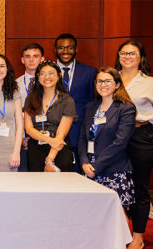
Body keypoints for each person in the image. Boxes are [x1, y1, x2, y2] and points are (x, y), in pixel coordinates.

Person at [116, 40, 153, 249]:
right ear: (118, 55)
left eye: (133, 53)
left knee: (139, 189)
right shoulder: (110, 78)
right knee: (115, 186)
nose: (128, 56)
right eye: (124, 52)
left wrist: (145, 136)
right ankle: (120, 237)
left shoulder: (151, 82)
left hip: (140, 137)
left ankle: (137, 239)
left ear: (140, 57)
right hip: (114, 140)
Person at [77, 67, 136, 220]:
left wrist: (97, 166)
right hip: (89, 168)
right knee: (93, 215)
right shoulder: (91, 107)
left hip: (113, 169)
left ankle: (122, 244)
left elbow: (120, 143)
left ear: (117, 84)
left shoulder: (126, 108)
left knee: (116, 218)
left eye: (107, 81)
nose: (103, 84)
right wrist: (84, 162)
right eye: (99, 81)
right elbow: (82, 138)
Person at [23, 61, 77, 172]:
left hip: (58, 150)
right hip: (36, 149)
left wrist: (50, 160)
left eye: (51, 73)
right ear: (37, 78)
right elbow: (28, 128)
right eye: (42, 74)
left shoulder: (67, 101)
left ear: (59, 76)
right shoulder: (30, 99)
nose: (47, 77)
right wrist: (48, 140)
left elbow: (61, 135)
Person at [54, 33, 96, 171]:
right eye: (61, 47)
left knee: (78, 175)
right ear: (55, 50)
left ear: (76, 49)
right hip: (52, 132)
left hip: (79, 133)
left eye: (69, 47)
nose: (65, 51)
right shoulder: (46, 72)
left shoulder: (90, 72)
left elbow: (92, 103)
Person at [16, 43, 45, 172]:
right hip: (20, 140)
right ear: (22, 60)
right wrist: (20, 138)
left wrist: (39, 137)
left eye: (35, 56)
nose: (31, 60)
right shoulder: (14, 85)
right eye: (27, 56)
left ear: (42, 59)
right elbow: (11, 115)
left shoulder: (50, 85)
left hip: (44, 139)